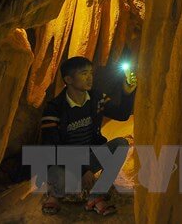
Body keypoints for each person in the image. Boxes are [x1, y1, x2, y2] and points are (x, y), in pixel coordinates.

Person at [39, 56, 137, 216]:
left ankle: (95, 196)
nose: (89, 77)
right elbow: (52, 148)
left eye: (91, 73)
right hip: (61, 163)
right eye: (84, 73)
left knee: (121, 144)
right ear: (68, 79)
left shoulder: (96, 98)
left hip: (89, 158)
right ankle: (54, 194)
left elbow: (122, 114)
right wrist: (83, 169)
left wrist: (127, 94)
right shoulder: (54, 109)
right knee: (60, 177)